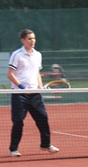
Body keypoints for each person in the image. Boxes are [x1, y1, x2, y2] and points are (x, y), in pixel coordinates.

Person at [7, 28, 59, 157]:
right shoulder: (17, 55)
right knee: (18, 122)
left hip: (35, 95)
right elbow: (10, 74)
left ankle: (46, 145)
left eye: (34, 38)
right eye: (29, 39)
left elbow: (37, 73)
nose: (32, 41)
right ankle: (13, 149)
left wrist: (40, 87)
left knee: (43, 118)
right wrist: (23, 88)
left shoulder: (38, 55)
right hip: (19, 95)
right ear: (23, 40)